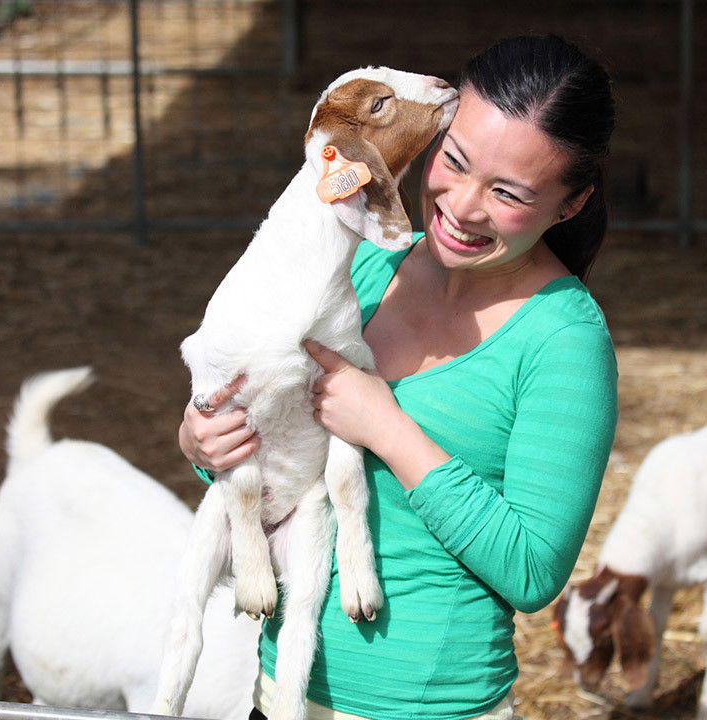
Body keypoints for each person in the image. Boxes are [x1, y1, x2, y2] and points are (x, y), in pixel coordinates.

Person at [178, 34, 619, 720]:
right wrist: (207, 445)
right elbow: (276, 459)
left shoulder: (563, 340)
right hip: (283, 691)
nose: (463, 206)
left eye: (507, 192)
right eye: (455, 160)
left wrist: (386, 428)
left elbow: (533, 571)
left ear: (570, 204)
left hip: (429, 707)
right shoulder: (360, 265)